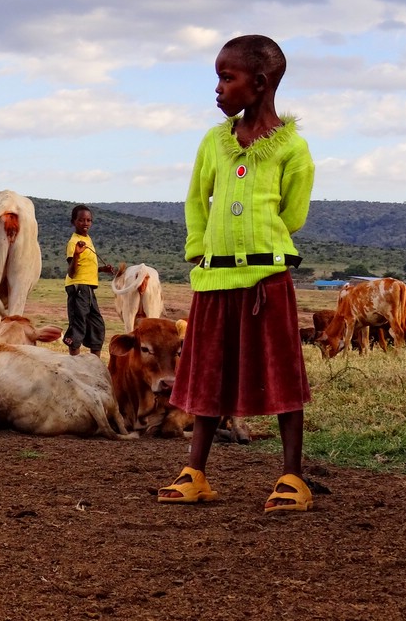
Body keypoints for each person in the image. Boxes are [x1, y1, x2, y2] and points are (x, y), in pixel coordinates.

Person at [157, 35, 316, 513]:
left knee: (282, 372)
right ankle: (195, 473)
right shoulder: (214, 142)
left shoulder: (294, 150)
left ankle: (292, 477)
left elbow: (293, 215)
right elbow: (194, 199)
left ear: (261, 83)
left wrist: (259, 245)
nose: (219, 89)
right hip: (214, 280)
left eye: (228, 78)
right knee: (207, 374)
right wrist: (200, 249)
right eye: (218, 78)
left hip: (267, 281)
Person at [63, 205, 114, 356]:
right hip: (78, 287)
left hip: (88, 288)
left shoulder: (87, 239)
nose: (85, 223)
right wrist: (77, 254)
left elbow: (85, 267)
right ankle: (75, 367)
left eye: (89, 220)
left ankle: (95, 367)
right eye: (81, 220)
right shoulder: (74, 243)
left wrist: (102, 270)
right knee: (78, 326)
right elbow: (72, 273)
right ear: (73, 222)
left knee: (97, 326)